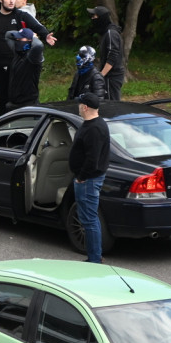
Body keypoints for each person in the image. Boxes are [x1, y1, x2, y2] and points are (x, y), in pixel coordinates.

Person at [0, 0, 55, 116]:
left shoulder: (21, 15)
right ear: (1, 0)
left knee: (17, 98)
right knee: (2, 98)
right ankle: (1, 126)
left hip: (17, 65)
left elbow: (36, 25)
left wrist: (46, 35)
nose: (12, 1)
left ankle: (19, 123)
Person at [68, 92, 110, 263]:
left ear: (85, 107)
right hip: (88, 178)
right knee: (90, 218)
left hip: (88, 180)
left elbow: (92, 157)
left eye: (80, 105)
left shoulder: (94, 128)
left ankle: (94, 259)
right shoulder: (94, 124)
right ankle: (95, 255)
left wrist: (82, 177)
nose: (78, 107)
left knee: (89, 219)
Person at [88, 6, 125, 101]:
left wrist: (101, 75)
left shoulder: (111, 33)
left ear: (101, 18)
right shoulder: (105, 33)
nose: (92, 19)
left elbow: (112, 56)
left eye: (94, 16)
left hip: (112, 77)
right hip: (109, 76)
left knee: (112, 104)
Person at [5, 27, 44, 110]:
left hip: (28, 104)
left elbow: (39, 45)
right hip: (13, 103)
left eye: (20, 38)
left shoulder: (33, 57)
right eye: (16, 38)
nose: (17, 40)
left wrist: (33, 37)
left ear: (30, 41)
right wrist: (21, 33)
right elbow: (8, 35)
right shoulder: (17, 52)